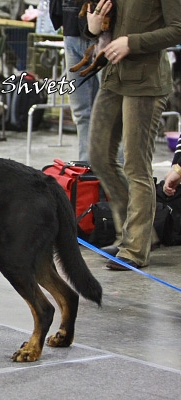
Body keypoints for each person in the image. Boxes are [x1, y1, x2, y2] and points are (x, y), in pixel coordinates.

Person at [86, 0, 181, 270]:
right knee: (99, 157)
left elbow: (178, 28)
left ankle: (135, 248)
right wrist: (94, 26)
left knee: (135, 166)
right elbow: (103, 22)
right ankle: (133, 232)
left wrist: (132, 42)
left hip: (147, 82)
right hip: (113, 77)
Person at [50, 0, 100, 162]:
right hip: (72, 30)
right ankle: (86, 171)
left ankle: (117, 175)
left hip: (105, 33)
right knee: (80, 111)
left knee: (112, 110)